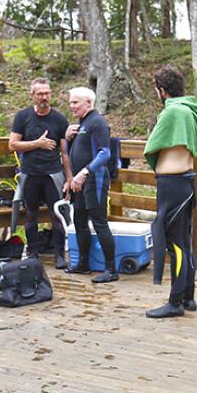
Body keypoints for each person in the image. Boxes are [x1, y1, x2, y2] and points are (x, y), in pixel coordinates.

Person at [143, 65, 197, 319]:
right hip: (185, 181)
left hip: (172, 185)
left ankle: (175, 302)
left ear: (162, 90)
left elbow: (152, 147)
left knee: (175, 245)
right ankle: (188, 296)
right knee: (184, 241)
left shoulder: (173, 112)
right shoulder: (192, 110)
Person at [8, 77, 71, 268]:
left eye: (47, 93)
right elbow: (12, 144)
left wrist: (69, 178)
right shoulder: (23, 117)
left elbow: (65, 152)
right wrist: (38, 143)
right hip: (30, 174)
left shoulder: (59, 119)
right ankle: (33, 253)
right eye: (40, 94)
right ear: (32, 96)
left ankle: (59, 254)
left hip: (53, 174)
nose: (44, 97)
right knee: (30, 215)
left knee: (57, 215)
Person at [63, 86, 118, 283]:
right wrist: (68, 139)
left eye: (75, 102)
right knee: (79, 221)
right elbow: (73, 153)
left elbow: (105, 153)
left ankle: (111, 269)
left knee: (99, 222)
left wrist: (85, 173)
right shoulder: (81, 124)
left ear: (88, 102)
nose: (72, 106)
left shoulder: (98, 122)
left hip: (95, 179)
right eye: (70, 102)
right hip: (79, 182)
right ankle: (84, 264)